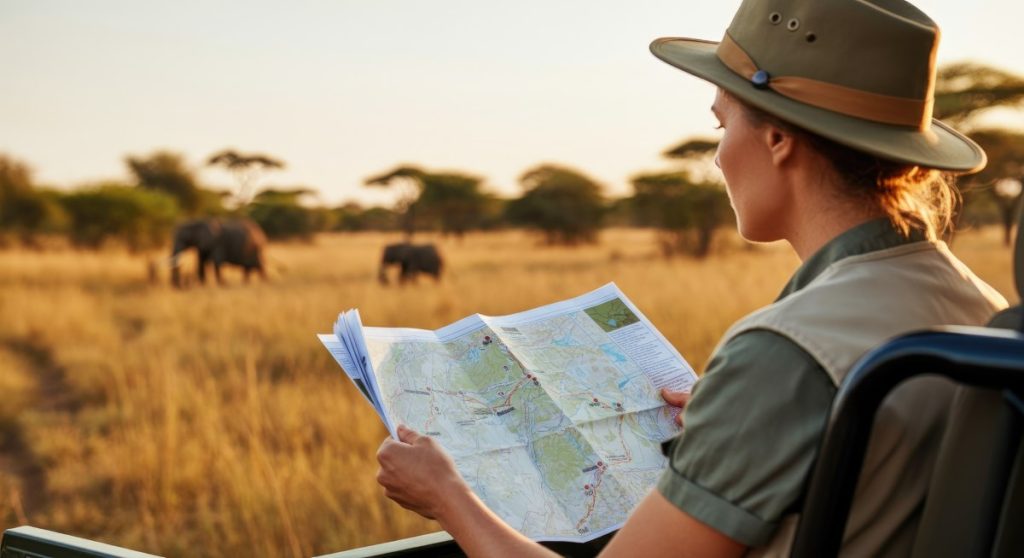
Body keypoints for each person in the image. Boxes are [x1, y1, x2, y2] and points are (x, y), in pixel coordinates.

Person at [375, 0, 1009, 556]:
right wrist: (742, 413)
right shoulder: (981, 305)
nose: (717, 153)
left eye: (722, 123)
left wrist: (448, 498)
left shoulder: (785, 353)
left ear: (780, 138)